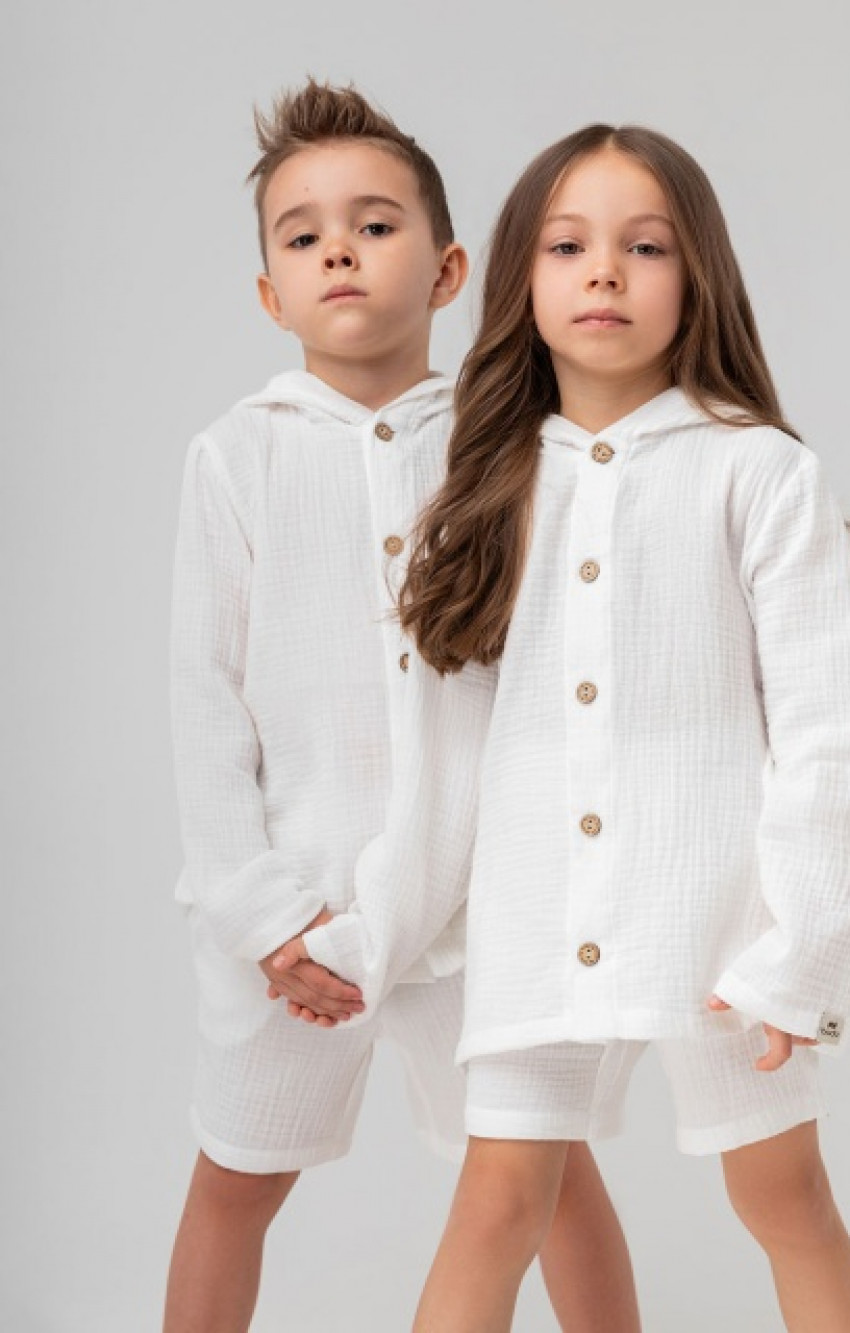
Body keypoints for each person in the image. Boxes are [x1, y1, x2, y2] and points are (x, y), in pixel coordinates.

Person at [284, 123, 850, 1331]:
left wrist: (803, 952)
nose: (603, 270)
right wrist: (373, 931)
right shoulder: (482, 488)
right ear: (519, 275)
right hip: (534, 916)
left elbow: (827, 737)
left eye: (644, 246)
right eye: (567, 246)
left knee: (783, 1196)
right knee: (495, 1204)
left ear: (697, 273)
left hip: (724, 919)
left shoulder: (758, 473)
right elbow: (445, 762)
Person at [164, 84, 640, 1333]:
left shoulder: (511, 447)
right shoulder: (237, 457)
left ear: (446, 270)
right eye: (303, 233)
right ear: (269, 292)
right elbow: (204, 706)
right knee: (234, 1178)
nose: (339, 249)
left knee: (549, 1177)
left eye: (374, 225)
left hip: (482, 904)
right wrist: (265, 913)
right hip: (298, 918)